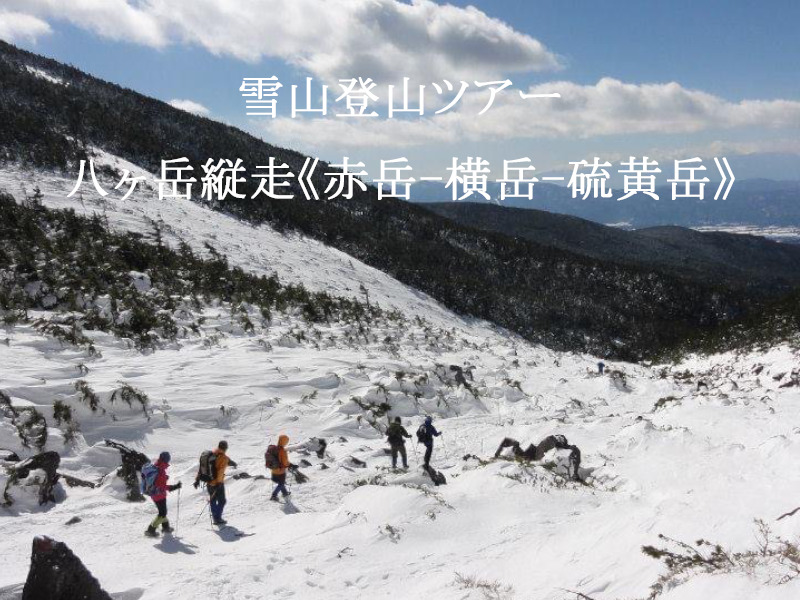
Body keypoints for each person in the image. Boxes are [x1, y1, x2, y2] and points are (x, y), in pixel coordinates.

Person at [144, 452, 182, 537]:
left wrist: (165, 477)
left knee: (163, 512)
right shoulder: (160, 469)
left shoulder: (156, 466)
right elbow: (162, 486)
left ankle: (166, 527)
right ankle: (151, 530)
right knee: (162, 513)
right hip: (159, 495)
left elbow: (158, 482)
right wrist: (175, 487)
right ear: (166, 459)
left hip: (154, 494)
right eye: (168, 459)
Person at [207, 440, 235, 525]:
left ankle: (215, 517)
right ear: (225, 448)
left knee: (213, 500)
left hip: (209, 482)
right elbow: (220, 471)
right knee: (222, 501)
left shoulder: (211, 454)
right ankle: (217, 518)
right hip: (217, 483)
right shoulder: (224, 458)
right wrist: (219, 483)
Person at [270, 434, 291, 502]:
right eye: (286, 441)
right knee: (281, 483)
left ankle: (285, 493)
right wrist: (290, 465)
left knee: (280, 483)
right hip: (281, 471)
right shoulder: (282, 450)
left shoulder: (274, 449)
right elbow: (285, 462)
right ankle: (274, 495)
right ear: (284, 441)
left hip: (274, 470)